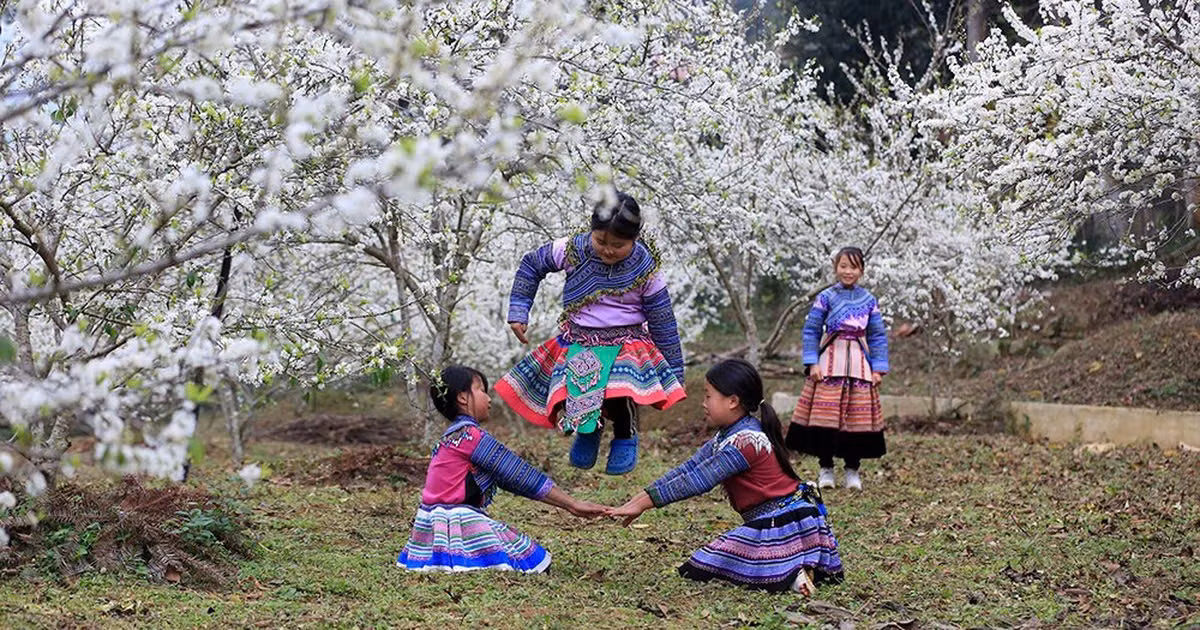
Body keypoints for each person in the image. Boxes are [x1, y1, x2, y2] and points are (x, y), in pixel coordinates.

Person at [609, 359, 844, 594]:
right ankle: (792, 566)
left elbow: (697, 481)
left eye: (708, 396)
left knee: (703, 565)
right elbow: (688, 469)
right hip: (775, 521)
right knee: (709, 563)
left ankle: (792, 572)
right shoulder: (729, 436)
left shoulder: (745, 442)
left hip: (785, 523)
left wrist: (642, 504)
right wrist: (638, 501)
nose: (703, 403)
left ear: (733, 401)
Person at [495, 189, 686, 475]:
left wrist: (674, 373)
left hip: (627, 343)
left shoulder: (646, 268)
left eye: (618, 244)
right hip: (580, 338)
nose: (609, 250)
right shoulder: (572, 249)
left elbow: (662, 320)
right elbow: (532, 265)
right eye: (601, 241)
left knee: (618, 390)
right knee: (581, 387)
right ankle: (588, 431)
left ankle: (625, 435)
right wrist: (519, 310)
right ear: (591, 231)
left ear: (635, 238)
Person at [397, 366, 606, 573]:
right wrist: (572, 504)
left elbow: (508, 478)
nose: (488, 399)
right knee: (535, 561)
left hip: (427, 528)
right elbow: (519, 474)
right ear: (462, 397)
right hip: (458, 520)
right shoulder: (471, 437)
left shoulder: (447, 439)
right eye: (481, 390)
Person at [786, 246, 889, 490]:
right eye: (843, 266)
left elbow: (877, 336)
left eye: (853, 267)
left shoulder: (869, 300)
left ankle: (852, 470)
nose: (847, 271)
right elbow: (811, 330)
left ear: (861, 270)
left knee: (857, 421)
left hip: (859, 366)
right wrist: (812, 362)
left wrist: (878, 368)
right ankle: (826, 469)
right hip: (829, 363)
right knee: (825, 419)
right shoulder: (826, 297)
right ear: (835, 268)